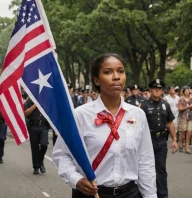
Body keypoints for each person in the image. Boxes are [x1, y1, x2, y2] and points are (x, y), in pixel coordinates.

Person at [53, 53, 157, 198]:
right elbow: (61, 154)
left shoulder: (137, 114)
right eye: (108, 72)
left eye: (120, 71)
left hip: (130, 193)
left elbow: (145, 161)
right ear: (96, 80)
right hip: (91, 193)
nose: (116, 76)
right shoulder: (80, 115)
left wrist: (150, 195)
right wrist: (76, 179)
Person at [139, 79, 178, 198]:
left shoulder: (165, 105)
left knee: (161, 169)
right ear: (150, 90)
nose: (157, 90)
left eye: (160, 89)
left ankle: (162, 195)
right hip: (147, 141)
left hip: (161, 141)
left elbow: (170, 123)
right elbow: (138, 125)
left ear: (162, 91)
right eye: (155, 88)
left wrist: (175, 139)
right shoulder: (143, 105)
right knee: (146, 169)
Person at [25, 97, 49, 174]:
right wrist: (35, 105)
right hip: (33, 126)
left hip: (44, 126)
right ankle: (36, 167)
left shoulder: (47, 99)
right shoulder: (31, 99)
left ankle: (40, 162)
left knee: (44, 145)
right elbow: (26, 113)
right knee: (34, 147)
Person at [178, 86, 192, 153]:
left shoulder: (191, 99)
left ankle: (187, 147)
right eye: (186, 90)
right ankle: (180, 144)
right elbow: (179, 109)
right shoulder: (181, 99)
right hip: (183, 117)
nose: (187, 91)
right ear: (183, 92)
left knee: (189, 132)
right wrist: (187, 107)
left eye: (188, 90)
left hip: (190, 117)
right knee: (183, 132)